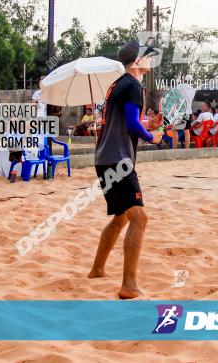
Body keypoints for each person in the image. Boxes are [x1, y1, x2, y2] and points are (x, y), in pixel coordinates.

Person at [88, 40, 162, 299]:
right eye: (147, 56)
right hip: (119, 160)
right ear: (137, 61)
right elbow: (131, 124)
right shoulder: (133, 85)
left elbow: (129, 118)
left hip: (105, 158)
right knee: (139, 218)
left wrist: (147, 122)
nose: (150, 59)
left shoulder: (119, 84)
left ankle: (97, 269)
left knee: (121, 218)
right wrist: (151, 136)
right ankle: (129, 285)